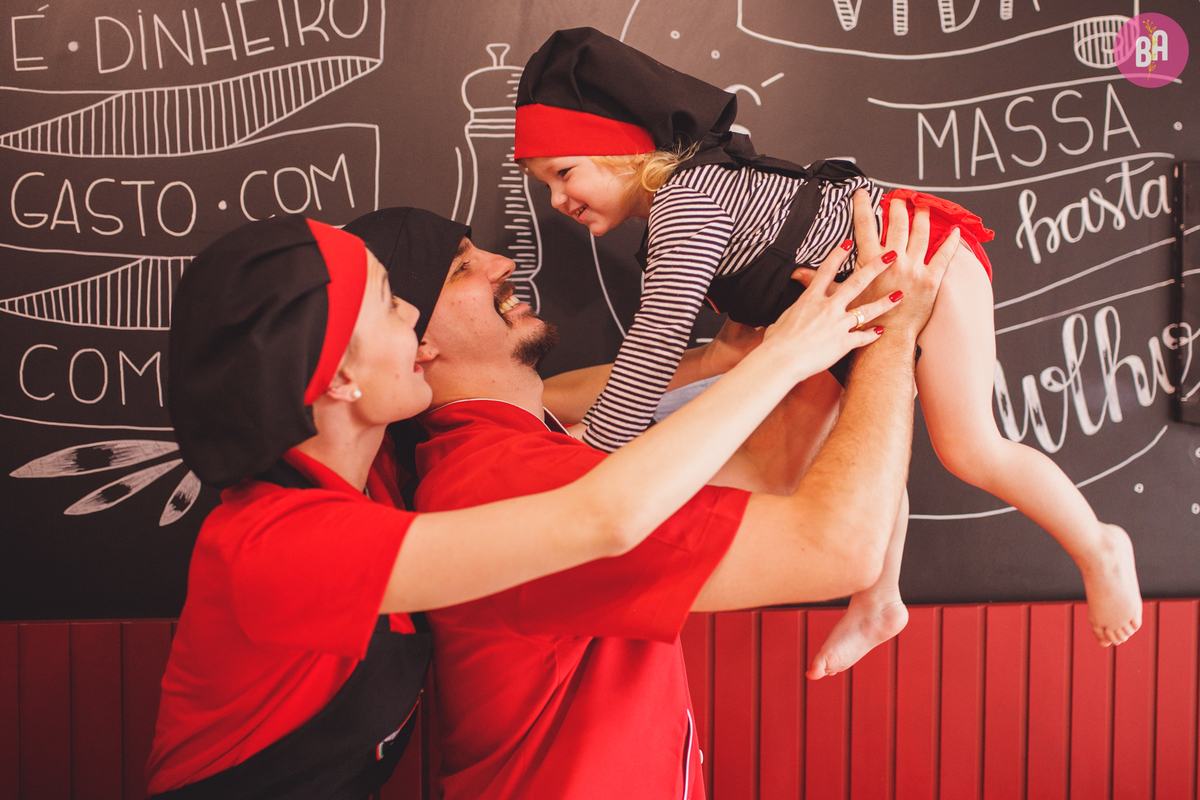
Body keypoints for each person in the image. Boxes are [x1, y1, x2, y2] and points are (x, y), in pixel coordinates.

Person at [146, 207, 897, 798]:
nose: (412, 321)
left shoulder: (377, 481)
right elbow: (599, 518)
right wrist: (814, 349)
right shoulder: (279, 545)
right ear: (338, 375)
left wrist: (727, 356)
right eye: (390, 303)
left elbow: (543, 401)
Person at [513, 27, 1141, 662]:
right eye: (543, 184)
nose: (558, 198)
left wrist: (589, 455)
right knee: (863, 448)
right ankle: (878, 602)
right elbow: (699, 353)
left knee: (970, 448)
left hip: (921, 258)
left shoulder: (685, 201)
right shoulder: (684, 201)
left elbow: (652, 348)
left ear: (623, 150)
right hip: (857, 293)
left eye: (565, 172)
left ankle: (1099, 544)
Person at [408, 194, 952, 799]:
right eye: (460, 267)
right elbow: (835, 549)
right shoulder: (501, 477)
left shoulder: (513, 446)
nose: (502, 262)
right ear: (415, 343)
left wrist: (852, 314)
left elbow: (764, 470)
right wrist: (892, 336)